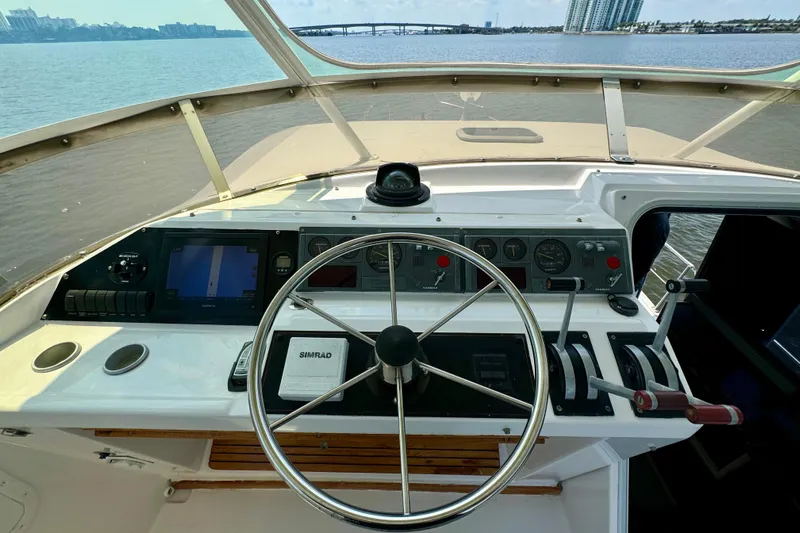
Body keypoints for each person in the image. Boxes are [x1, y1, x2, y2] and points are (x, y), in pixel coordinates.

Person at [632, 212, 671, 295]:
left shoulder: (658, 222)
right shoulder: (659, 220)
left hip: (632, 275)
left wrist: (630, 284)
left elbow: (643, 264)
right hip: (631, 272)